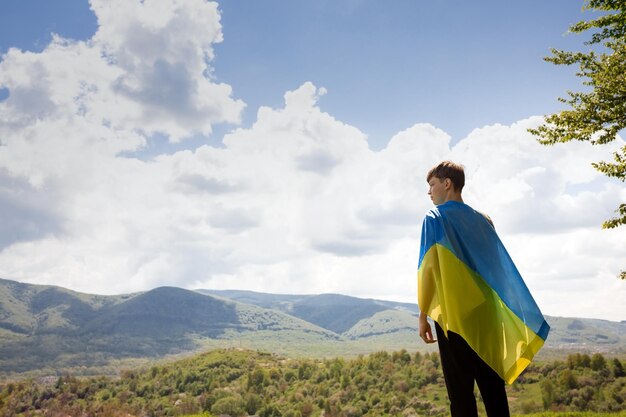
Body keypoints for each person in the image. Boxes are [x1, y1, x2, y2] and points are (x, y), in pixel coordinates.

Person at [417, 161, 549, 417]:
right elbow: (497, 269)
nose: (429, 192)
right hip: (487, 317)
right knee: (493, 390)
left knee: (460, 393)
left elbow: (428, 270)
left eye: (431, 184)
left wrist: (423, 316)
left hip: (454, 319)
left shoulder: (434, 218)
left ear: (447, 183)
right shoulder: (484, 220)